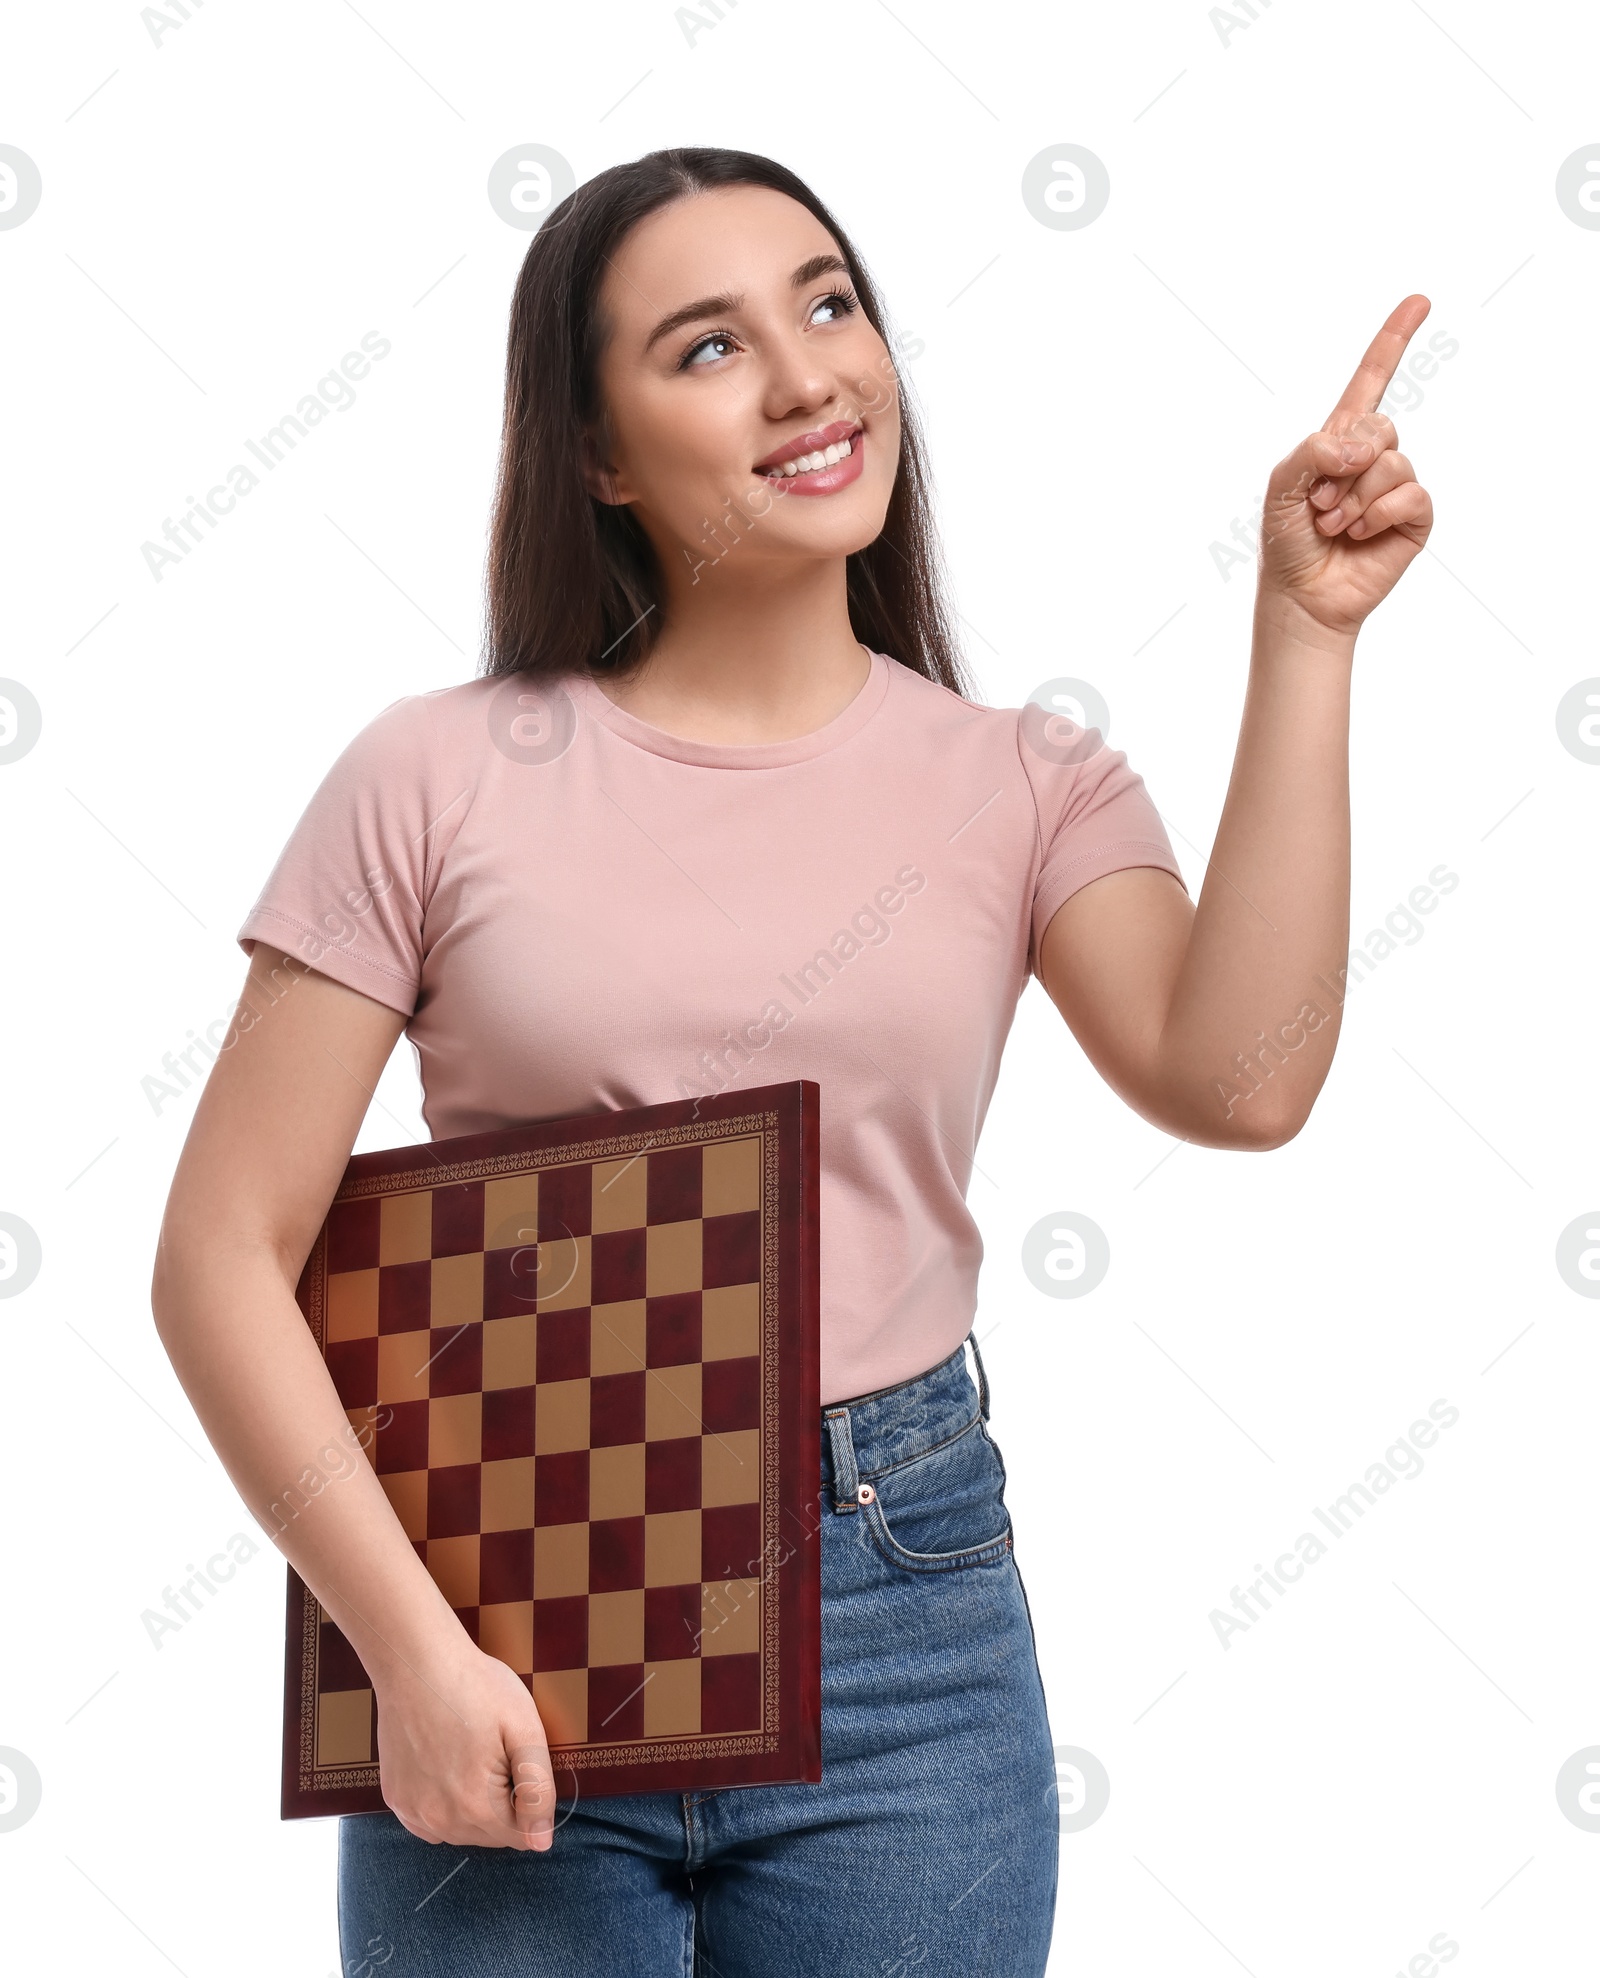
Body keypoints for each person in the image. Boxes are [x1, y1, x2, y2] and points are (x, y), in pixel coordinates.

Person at [151, 146, 1433, 1975]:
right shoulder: (428, 777)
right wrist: (406, 1649)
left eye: (827, 303)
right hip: (508, 1583)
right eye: (707, 345)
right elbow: (216, 1254)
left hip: (898, 1605)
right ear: (595, 453)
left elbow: (1240, 1078)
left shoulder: (1025, 782)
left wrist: (1304, 632)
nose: (807, 372)